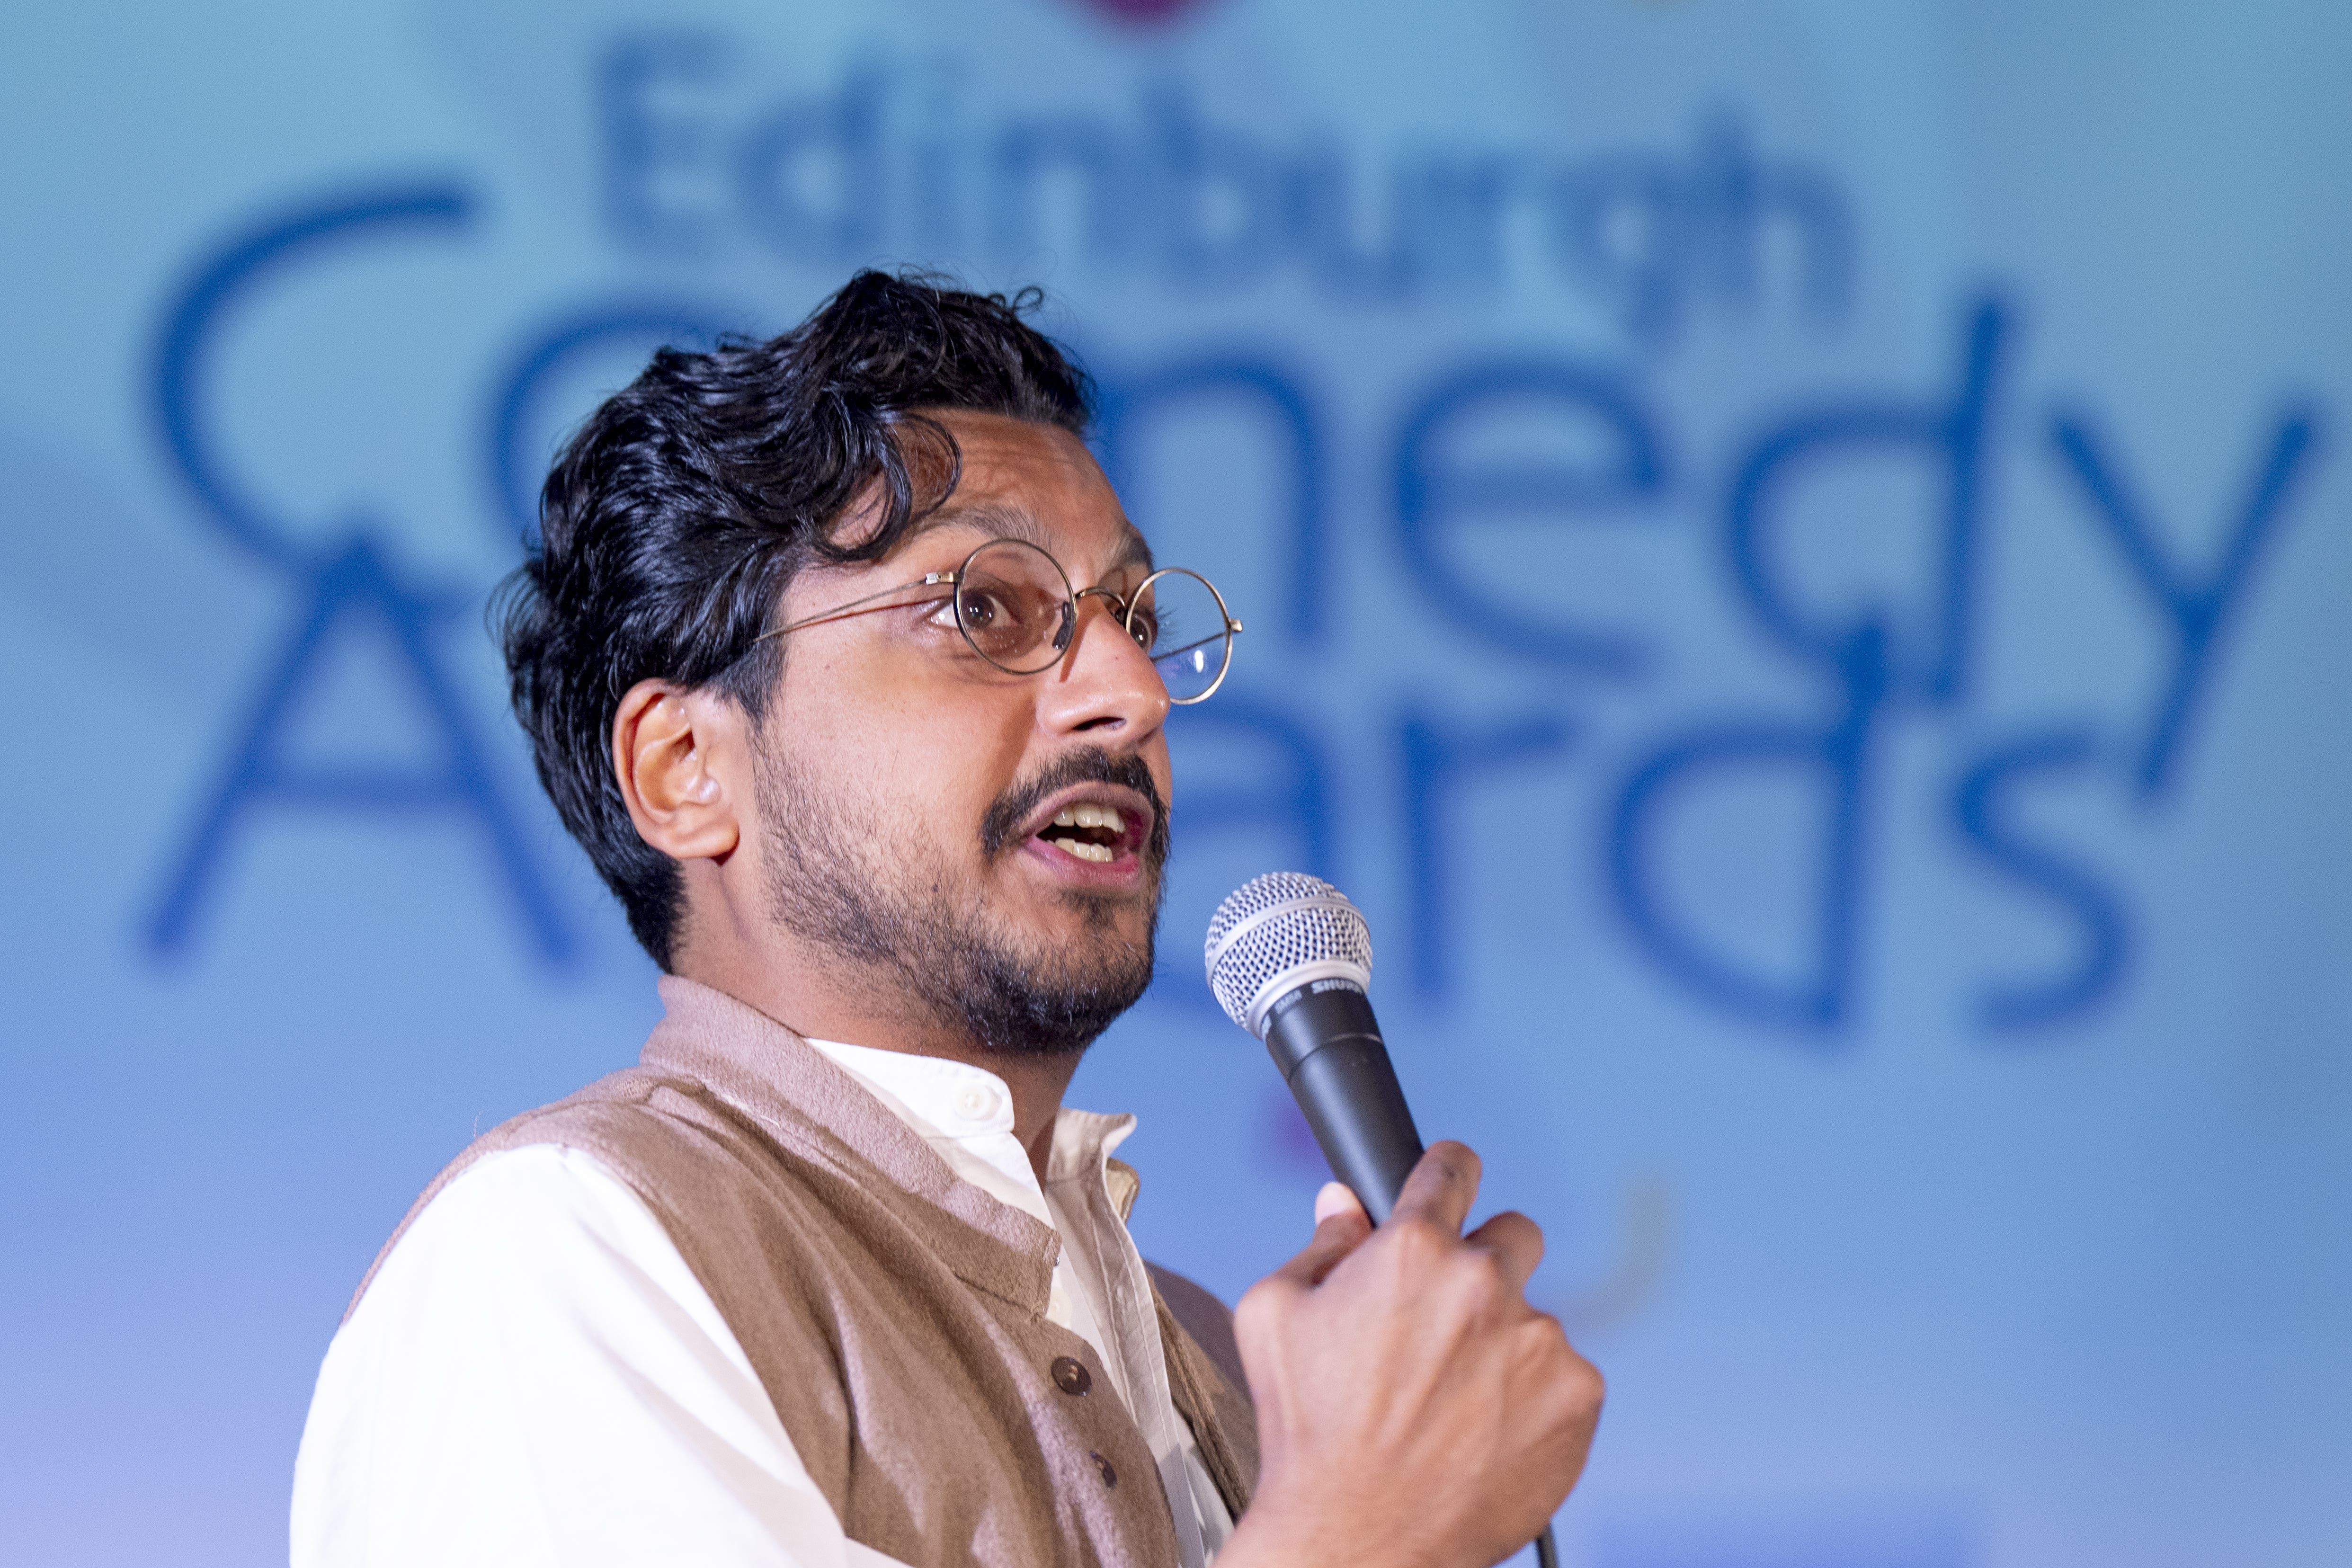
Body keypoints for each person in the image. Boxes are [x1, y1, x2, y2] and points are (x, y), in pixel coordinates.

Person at [290, 271, 1603, 1568]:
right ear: (686, 769)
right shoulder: (563, 1261)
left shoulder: (1220, 1366)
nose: (1133, 691)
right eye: (982, 607)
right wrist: (1357, 1535)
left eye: (1133, 617)